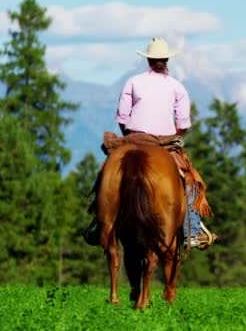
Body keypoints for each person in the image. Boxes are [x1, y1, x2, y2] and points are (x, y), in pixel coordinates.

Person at [83, 37, 216, 249]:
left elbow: (122, 118)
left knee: (106, 173)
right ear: (166, 60)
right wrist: (171, 136)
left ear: (148, 61)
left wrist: (130, 137)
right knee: (189, 178)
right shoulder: (177, 87)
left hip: (133, 137)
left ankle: (99, 223)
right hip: (164, 142)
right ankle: (192, 230)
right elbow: (183, 123)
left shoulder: (133, 82)